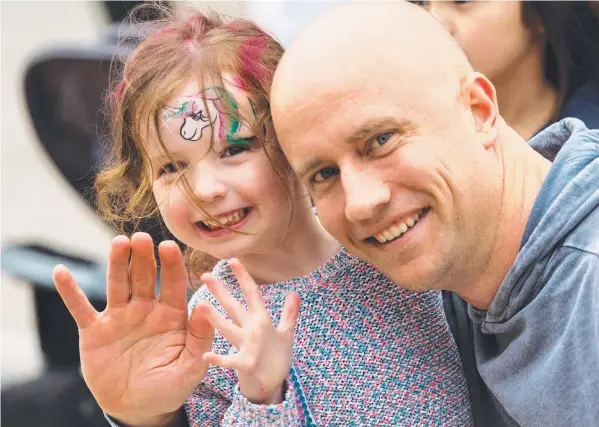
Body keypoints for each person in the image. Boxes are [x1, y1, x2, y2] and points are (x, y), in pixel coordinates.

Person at [52, 8, 473, 427]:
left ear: (293, 139)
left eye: (235, 149)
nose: (205, 190)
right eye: (172, 168)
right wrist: (261, 399)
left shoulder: (391, 235)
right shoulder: (205, 332)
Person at [270, 2, 599, 427]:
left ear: (479, 110)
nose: (360, 202)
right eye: (324, 174)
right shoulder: (446, 277)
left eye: (380, 140)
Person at [413, 1, 599, 139]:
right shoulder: (414, 138)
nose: (434, 20)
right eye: (419, 2)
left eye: (463, 0)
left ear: (537, 13)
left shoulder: (587, 149)